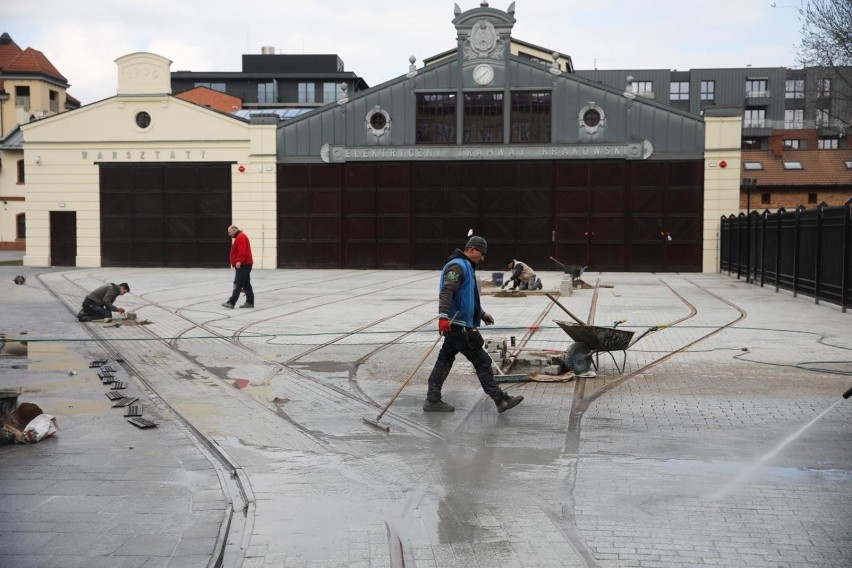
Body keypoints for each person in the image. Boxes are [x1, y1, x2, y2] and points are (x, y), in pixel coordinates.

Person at [423, 236, 524, 414]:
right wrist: (443, 316)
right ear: (471, 250)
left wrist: (481, 313)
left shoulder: (467, 267)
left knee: (444, 360)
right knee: (482, 361)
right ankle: (500, 400)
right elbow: (448, 290)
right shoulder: (458, 266)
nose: (483, 258)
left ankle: (432, 399)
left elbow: (467, 296)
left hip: (458, 324)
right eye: (482, 253)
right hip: (459, 325)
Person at [222, 225, 255, 309]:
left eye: (229, 232)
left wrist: (239, 260)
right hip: (246, 264)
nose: (229, 234)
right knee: (246, 283)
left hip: (243, 264)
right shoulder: (240, 237)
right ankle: (250, 302)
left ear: (234, 230)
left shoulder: (241, 237)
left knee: (238, 283)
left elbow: (242, 250)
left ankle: (231, 302)